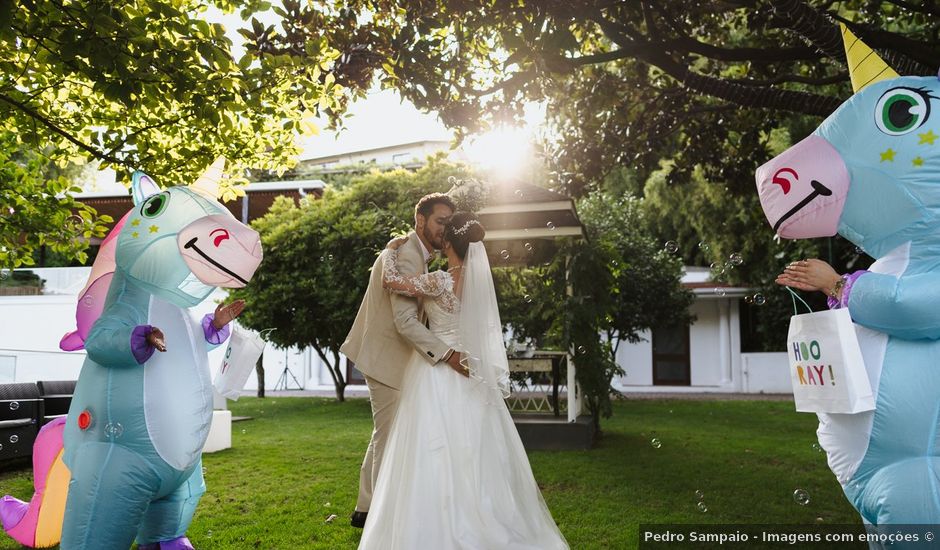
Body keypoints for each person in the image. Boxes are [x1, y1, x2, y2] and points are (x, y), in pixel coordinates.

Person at [358, 212, 568, 550]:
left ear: (448, 242)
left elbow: (391, 281)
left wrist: (388, 251)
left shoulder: (439, 280)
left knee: (431, 447)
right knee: (477, 449)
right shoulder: (478, 283)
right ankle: (486, 516)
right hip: (472, 371)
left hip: (436, 372)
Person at [340, 193, 467, 528]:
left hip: (391, 358)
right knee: (391, 435)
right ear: (420, 220)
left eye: (448, 224)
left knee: (384, 433)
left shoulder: (410, 253)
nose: (444, 230)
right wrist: (447, 353)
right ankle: (379, 514)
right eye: (440, 221)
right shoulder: (409, 254)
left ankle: (366, 508)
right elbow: (405, 321)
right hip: (387, 359)